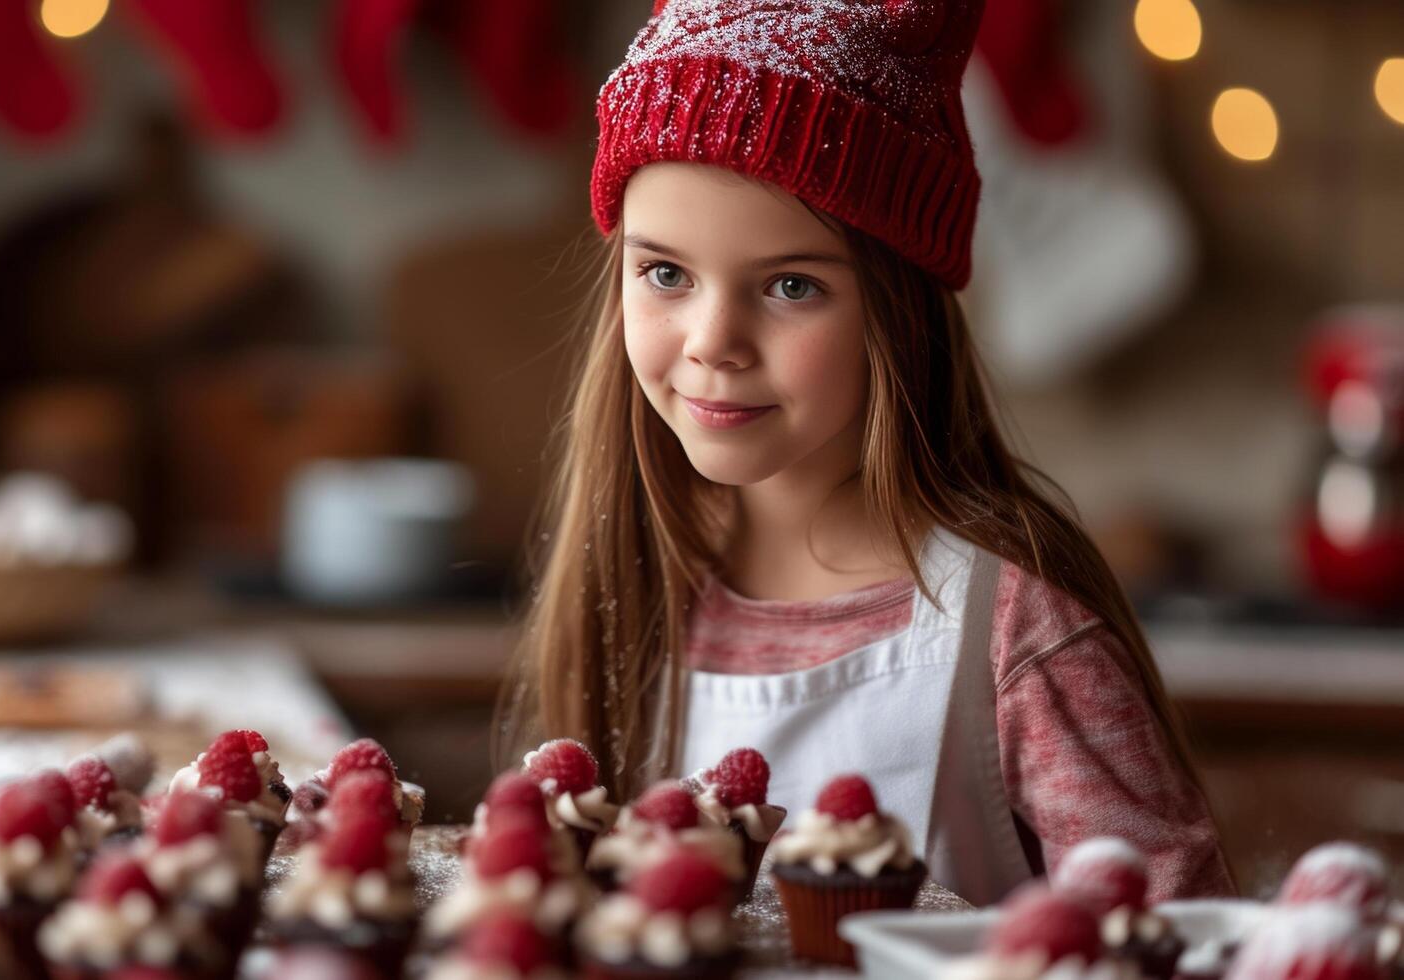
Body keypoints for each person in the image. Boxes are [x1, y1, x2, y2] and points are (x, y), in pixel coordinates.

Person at [498, 0, 1237, 905]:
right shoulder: (643, 574)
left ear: (898, 312)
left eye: (791, 285)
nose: (712, 339)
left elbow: (1172, 933)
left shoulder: (1013, 635)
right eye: (665, 273)